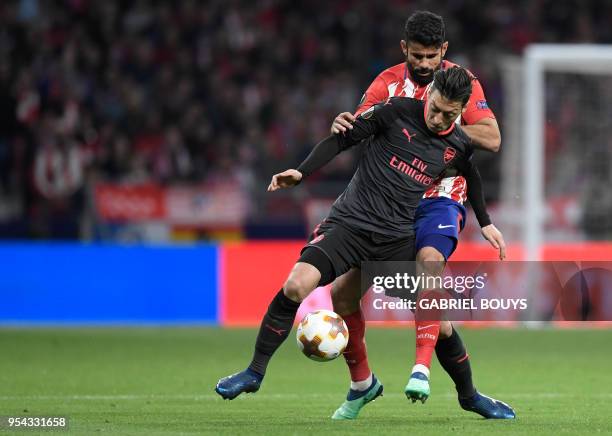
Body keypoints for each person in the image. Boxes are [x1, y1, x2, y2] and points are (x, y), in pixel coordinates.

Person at [215, 68, 497, 415]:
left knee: (438, 321)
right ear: (430, 94)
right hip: (350, 226)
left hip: (395, 237)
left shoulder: (457, 145)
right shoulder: (394, 112)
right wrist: (301, 172)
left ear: (462, 109)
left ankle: (468, 395)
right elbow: (342, 139)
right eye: (436, 108)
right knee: (295, 285)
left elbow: (473, 177)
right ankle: (254, 372)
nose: (439, 119)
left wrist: (485, 223)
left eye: (449, 114)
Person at [328, 11, 514, 420]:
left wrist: (438, 130)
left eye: (433, 55)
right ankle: (363, 384)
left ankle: (443, 383)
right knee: (345, 295)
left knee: (431, 270)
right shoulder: (386, 83)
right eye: (418, 56)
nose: (426, 64)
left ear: (444, 51)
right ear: (405, 50)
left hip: (441, 198)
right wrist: (347, 124)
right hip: (391, 201)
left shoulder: (460, 83)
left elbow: (492, 138)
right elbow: (360, 127)